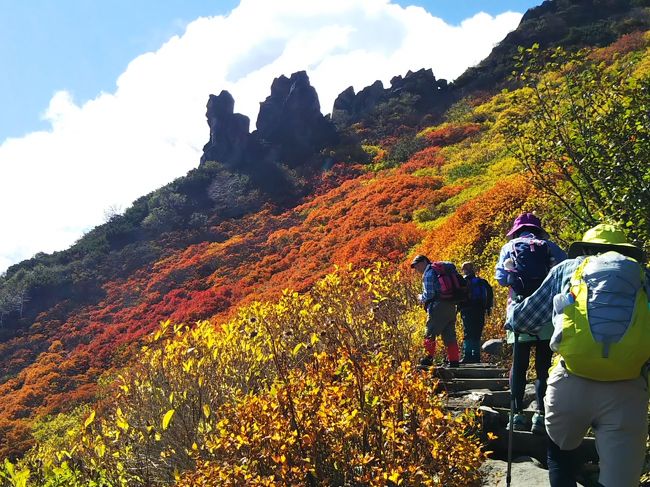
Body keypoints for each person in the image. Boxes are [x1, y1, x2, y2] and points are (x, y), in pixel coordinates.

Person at [506, 224, 650, 487]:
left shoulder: (566, 269)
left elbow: (524, 319)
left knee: (560, 455)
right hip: (627, 388)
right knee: (620, 479)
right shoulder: (642, 276)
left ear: (584, 248)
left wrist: (512, 308)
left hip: (571, 382)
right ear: (626, 252)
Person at [495, 212, 567, 434]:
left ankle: (516, 415)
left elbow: (500, 278)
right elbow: (566, 275)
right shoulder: (551, 247)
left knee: (519, 364)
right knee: (543, 367)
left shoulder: (510, 247)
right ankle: (541, 414)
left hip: (520, 311)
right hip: (546, 314)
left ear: (516, 231)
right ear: (538, 229)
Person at [410, 254, 460, 368]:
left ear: (423, 262)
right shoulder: (439, 271)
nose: (416, 269)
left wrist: (420, 297)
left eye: (416, 266)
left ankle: (428, 359)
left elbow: (429, 294)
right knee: (450, 335)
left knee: (430, 332)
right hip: (451, 305)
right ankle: (454, 361)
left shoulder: (428, 273)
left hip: (437, 307)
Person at [458, 262, 493, 364]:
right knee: (477, 333)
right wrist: (488, 308)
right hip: (480, 310)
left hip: (467, 309)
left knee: (468, 333)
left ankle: (467, 356)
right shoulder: (482, 282)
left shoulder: (463, 281)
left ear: (464, 269)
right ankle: (476, 356)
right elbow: (489, 295)